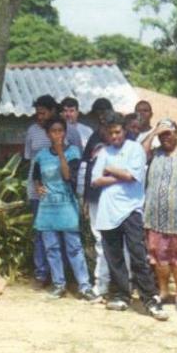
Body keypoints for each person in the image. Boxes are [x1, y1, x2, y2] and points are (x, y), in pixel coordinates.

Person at [90, 111, 167, 320]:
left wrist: (110, 170)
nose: (115, 136)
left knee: (138, 256)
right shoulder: (105, 151)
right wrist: (119, 176)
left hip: (130, 210)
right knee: (114, 257)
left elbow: (133, 176)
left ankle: (151, 300)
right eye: (111, 133)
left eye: (118, 132)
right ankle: (121, 295)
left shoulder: (135, 149)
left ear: (124, 130)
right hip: (107, 212)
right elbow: (95, 181)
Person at [32, 115, 95, 301]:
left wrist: (60, 153)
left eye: (60, 131)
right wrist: (38, 187)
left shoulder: (73, 152)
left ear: (65, 133)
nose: (57, 134)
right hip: (47, 207)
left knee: (74, 248)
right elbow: (36, 175)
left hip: (67, 205)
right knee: (51, 248)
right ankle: (59, 284)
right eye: (53, 131)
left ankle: (84, 286)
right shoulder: (41, 155)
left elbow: (69, 177)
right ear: (47, 133)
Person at [142, 119, 177, 311]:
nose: (165, 137)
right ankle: (164, 291)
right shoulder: (154, 154)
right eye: (162, 134)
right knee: (158, 256)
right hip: (155, 215)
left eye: (169, 133)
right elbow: (140, 153)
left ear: (176, 134)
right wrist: (152, 133)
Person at [24, 94, 81, 287]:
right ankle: (43, 275)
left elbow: (75, 167)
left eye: (43, 113)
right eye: (37, 113)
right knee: (43, 236)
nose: (39, 116)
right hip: (40, 193)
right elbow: (30, 161)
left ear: (52, 112)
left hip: (64, 195)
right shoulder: (32, 131)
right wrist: (37, 186)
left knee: (69, 238)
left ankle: (70, 277)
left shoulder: (70, 132)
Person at [79, 97, 115, 297]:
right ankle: (101, 285)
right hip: (94, 197)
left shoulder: (123, 142)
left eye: (105, 115)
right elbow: (86, 169)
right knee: (99, 240)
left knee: (117, 241)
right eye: (99, 117)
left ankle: (120, 283)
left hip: (116, 199)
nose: (102, 119)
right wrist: (85, 198)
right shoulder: (93, 139)